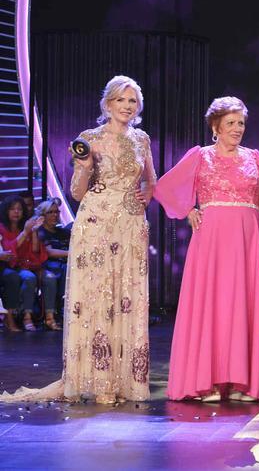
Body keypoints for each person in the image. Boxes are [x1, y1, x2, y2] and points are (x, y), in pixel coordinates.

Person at [2, 75, 157, 403]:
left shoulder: (141, 139)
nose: (127, 106)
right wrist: (85, 165)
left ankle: (122, 381)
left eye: (133, 101)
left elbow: (151, 180)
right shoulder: (88, 139)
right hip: (97, 222)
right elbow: (75, 192)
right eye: (121, 100)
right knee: (98, 295)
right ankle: (97, 382)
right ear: (108, 103)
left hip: (130, 226)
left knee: (126, 297)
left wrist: (147, 192)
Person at [155, 97, 259, 402]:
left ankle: (241, 381)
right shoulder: (201, 156)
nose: (237, 128)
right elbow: (163, 187)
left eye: (241, 123)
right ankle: (207, 379)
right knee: (211, 301)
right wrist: (188, 209)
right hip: (212, 239)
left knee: (243, 302)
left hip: (246, 238)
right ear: (216, 126)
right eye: (230, 123)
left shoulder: (254, 157)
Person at [31, 198, 71, 331]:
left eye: (57, 212)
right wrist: (70, 253)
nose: (55, 215)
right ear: (43, 215)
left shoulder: (64, 232)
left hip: (66, 265)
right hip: (46, 265)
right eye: (51, 212)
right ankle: (50, 317)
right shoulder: (40, 232)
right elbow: (49, 252)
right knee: (53, 276)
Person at [1, 195, 39, 332]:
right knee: (12, 276)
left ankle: (27, 316)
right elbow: (8, 250)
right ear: (6, 211)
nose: (16, 212)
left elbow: (34, 251)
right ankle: (9, 318)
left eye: (19, 209)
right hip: (5, 266)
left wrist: (33, 232)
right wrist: (25, 232)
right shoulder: (2, 228)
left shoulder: (25, 227)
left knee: (30, 277)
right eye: (12, 209)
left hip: (22, 265)